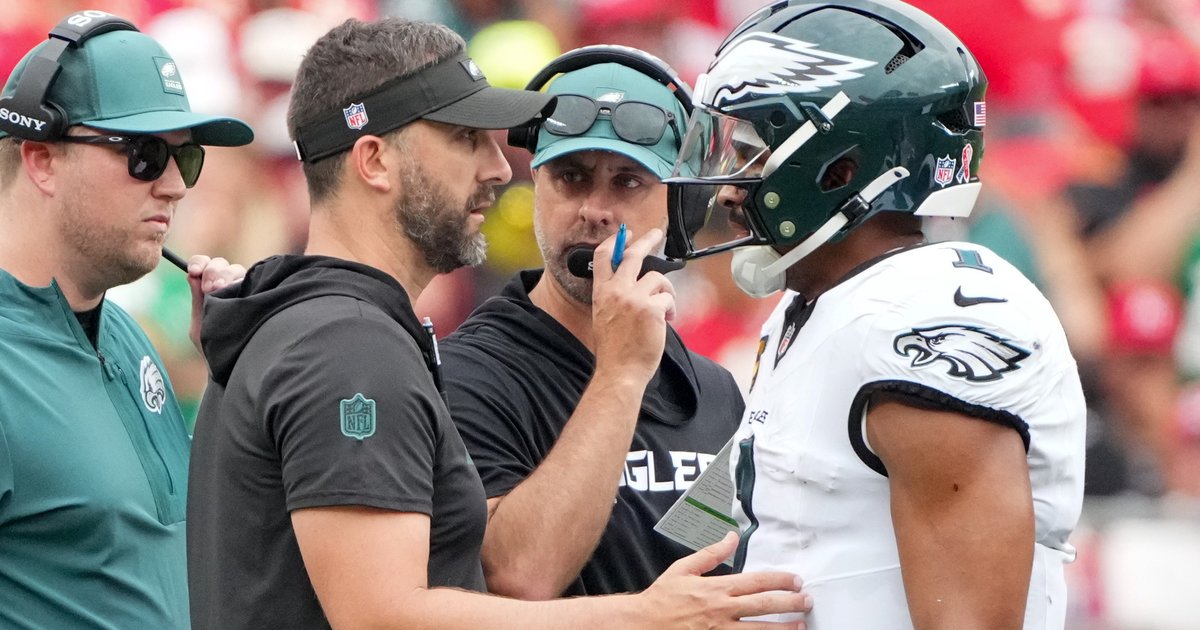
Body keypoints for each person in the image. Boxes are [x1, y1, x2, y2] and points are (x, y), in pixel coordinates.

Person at [186, 17, 810, 629]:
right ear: (374, 161)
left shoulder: (333, 331)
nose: (497, 167)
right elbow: (392, 612)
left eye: (628, 181)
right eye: (465, 138)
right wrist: (643, 616)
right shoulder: (353, 349)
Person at [664, 1, 1086, 628]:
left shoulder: (918, 317)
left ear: (840, 168)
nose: (728, 187)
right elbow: (735, 529)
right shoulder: (810, 307)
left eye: (752, 153)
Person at [439, 48, 745, 600]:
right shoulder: (469, 373)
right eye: (572, 177)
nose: (594, 209)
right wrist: (620, 375)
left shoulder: (713, 390)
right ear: (536, 186)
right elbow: (518, 575)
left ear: (683, 205)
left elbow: (714, 570)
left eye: (628, 182)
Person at [0, 10, 252, 629]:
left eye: (183, 157)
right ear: (41, 159)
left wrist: (233, 376)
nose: (174, 186)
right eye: (143, 154)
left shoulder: (127, 337)